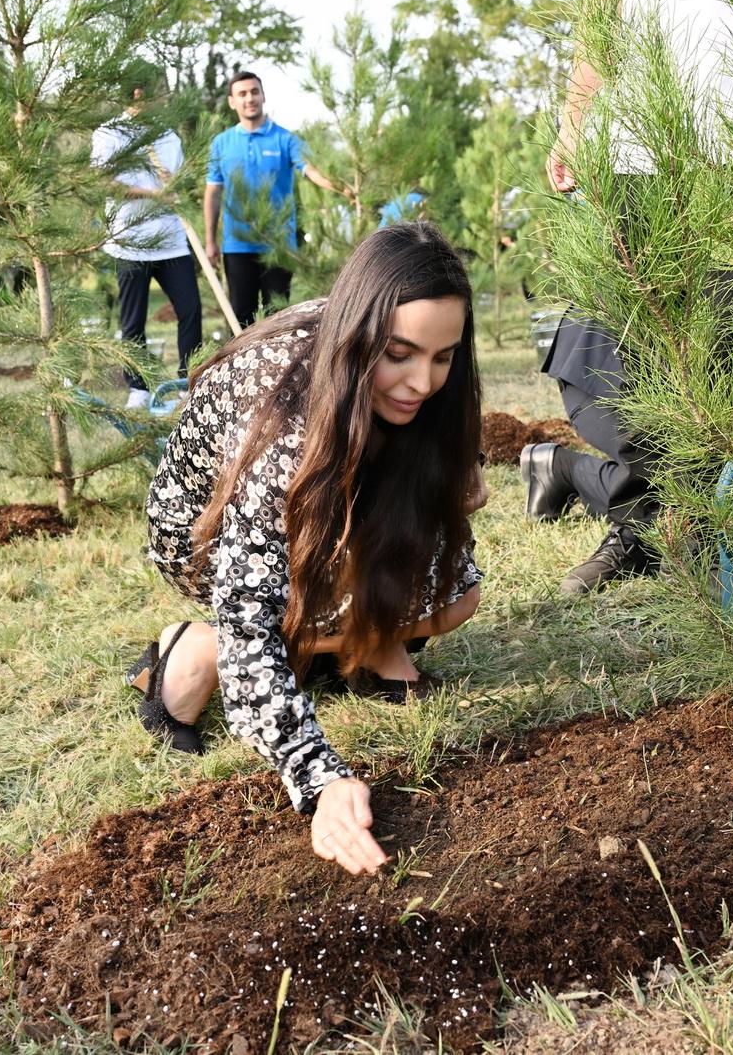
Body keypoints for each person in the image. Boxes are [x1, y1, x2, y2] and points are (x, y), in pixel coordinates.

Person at [135, 222, 487, 876]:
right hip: (205, 544)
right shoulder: (284, 422)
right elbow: (249, 604)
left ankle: (343, 643)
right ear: (359, 335)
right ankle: (195, 647)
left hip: (329, 521)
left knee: (458, 593)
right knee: (232, 654)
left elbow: (451, 482)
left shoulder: (409, 378)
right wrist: (321, 780)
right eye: (401, 354)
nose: (421, 381)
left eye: (442, 358)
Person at [525, 0, 733, 595]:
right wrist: (576, 116)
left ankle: (607, 486)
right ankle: (641, 527)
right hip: (651, 140)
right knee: (628, 356)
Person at [203, 71, 353, 327]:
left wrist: (340, 187)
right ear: (232, 101)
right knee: (240, 319)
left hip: (279, 245)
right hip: (237, 245)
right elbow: (213, 192)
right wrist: (210, 241)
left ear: (262, 96)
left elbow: (311, 169)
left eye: (254, 92)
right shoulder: (221, 143)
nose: (249, 98)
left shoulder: (285, 139)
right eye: (242, 94)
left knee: (279, 319)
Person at [93, 84, 202, 408]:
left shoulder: (169, 136)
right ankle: (137, 389)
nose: (163, 97)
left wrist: (175, 184)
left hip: (172, 240)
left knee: (191, 310)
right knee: (133, 321)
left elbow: (181, 185)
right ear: (137, 92)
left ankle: (188, 383)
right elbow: (104, 184)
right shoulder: (109, 133)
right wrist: (153, 193)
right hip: (131, 241)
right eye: (158, 91)